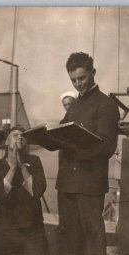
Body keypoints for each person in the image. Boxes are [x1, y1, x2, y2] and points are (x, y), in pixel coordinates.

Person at [56, 52, 120, 255]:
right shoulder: (74, 105)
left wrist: (74, 147)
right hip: (67, 184)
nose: (77, 84)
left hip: (89, 184)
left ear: (93, 73)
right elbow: (64, 133)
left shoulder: (106, 105)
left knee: (93, 239)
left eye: (81, 78)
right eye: (73, 80)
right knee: (70, 238)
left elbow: (107, 147)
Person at [0, 125, 54, 255]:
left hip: (33, 230)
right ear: (6, 142)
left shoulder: (34, 161)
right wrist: (13, 168)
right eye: (15, 135)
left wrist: (22, 167)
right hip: (7, 229)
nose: (20, 137)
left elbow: (37, 191)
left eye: (23, 136)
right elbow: (0, 194)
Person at [56, 91, 76, 234]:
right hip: (64, 162)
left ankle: (70, 225)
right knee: (62, 194)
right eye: (65, 105)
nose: (67, 107)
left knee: (72, 196)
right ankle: (63, 223)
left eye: (70, 104)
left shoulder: (78, 119)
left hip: (75, 162)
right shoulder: (64, 120)